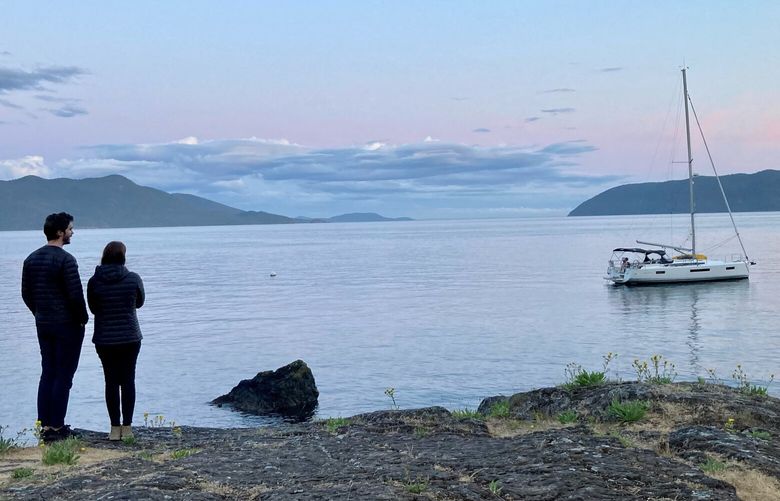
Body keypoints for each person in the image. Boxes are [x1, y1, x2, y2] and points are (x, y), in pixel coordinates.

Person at [21, 212, 89, 443]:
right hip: (67, 325)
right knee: (64, 375)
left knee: (47, 373)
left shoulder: (31, 259)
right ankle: (58, 427)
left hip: (44, 324)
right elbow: (75, 295)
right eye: (70, 228)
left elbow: (26, 294)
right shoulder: (66, 260)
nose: (72, 232)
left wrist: (39, 313)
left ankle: (45, 425)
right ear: (60, 232)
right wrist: (83, 319)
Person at [87, 241, 145, 441]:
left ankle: (114, 428)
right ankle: (127, 427)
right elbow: (140, 302)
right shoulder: (133, 278)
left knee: (110, 381)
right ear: (123, 257)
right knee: (128, 380)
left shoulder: (94, 281)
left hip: (104, 338)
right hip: (130, 336)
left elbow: (93, 308)